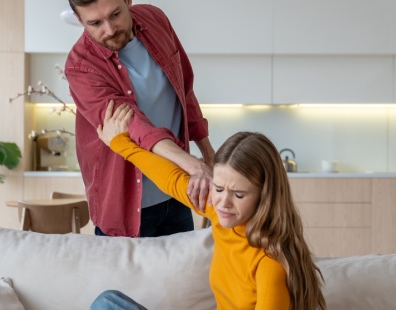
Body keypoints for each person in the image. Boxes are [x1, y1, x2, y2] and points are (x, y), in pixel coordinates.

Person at [92, 100, 326, 310]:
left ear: (264, 196)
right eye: (219, 188)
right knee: (107, 302)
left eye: (239, 194)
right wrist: (120, 144)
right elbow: (171, 179)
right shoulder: (220, 212)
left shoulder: (269, 265)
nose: (223, 202)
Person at [64, 0, 215, 237]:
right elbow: (135, 125)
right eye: (95, 23)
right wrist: (192, 164)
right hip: (124, 207)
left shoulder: (155, 19)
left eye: (116, 14)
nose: (109, 30)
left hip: (177, 190)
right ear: (79, 19)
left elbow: (185, 89)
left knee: (180, 280)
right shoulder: (81, 66)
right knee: (121, 282)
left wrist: (208, 152)